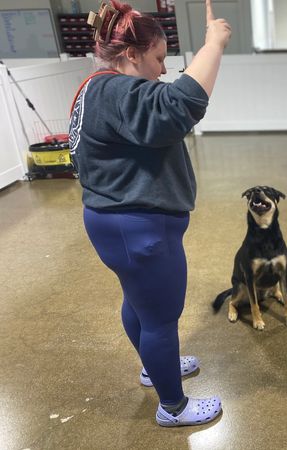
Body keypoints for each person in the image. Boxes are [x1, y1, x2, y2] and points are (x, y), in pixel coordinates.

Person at [68, 0, 231, 427]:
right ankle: (173, 407)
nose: (162, 69)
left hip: (118, 223)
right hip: (138, 227)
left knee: (140, 303)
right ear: (131, 54)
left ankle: (153, 367)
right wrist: (213, 44)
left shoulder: (94, 89)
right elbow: (180, 107)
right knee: (161, 317)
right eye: (158, 58)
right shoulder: (118, 92)